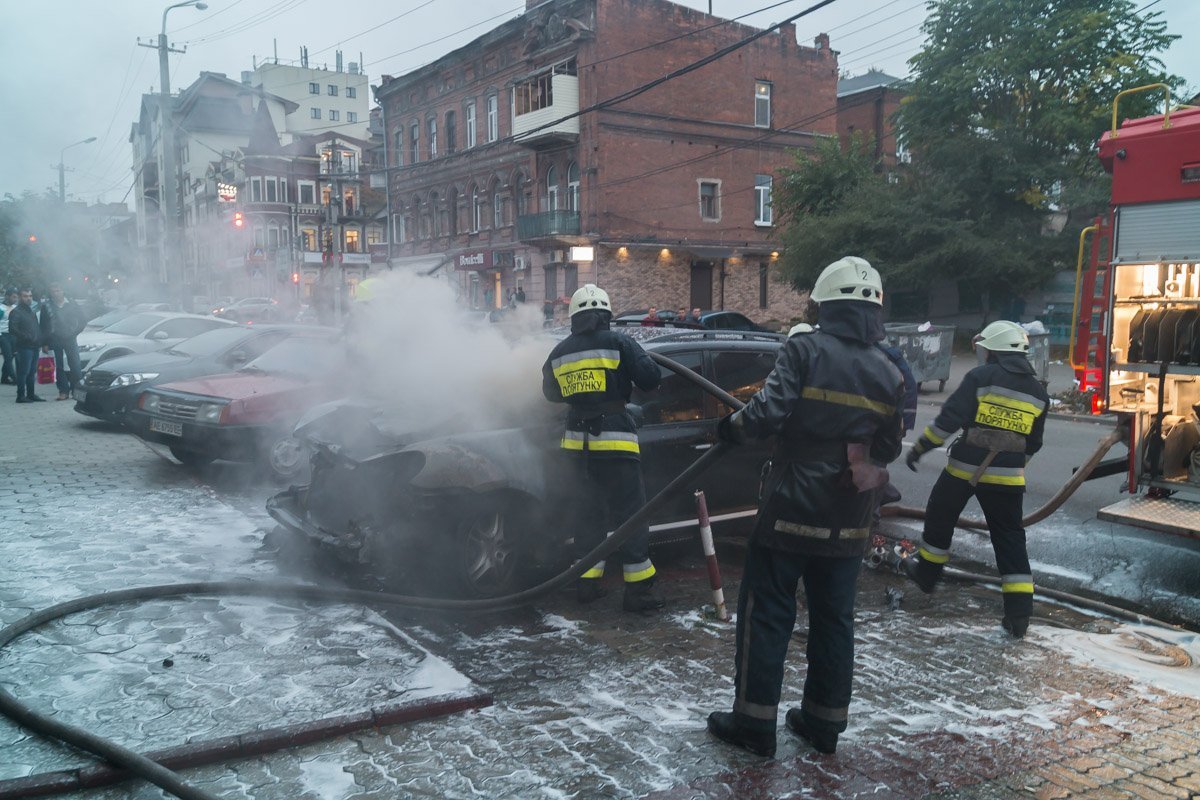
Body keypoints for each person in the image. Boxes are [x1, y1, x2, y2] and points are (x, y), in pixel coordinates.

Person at [706, 256, 904, 758]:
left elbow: (767, 412)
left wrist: (729, 429)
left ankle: (753, 724)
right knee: (835, 618)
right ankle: (823, 723)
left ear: (826, 305)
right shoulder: (889, 370)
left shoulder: (804, 349)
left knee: (767, 612)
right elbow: (890, 447)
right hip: (850, 516)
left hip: (792, 507)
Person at [903, 320, 1048, 638]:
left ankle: (927, 573)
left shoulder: (982, 377)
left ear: (995, 352)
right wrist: (1011, 464)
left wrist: (921, 448)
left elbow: (950, 419)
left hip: (965, 470)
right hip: (1010, 477)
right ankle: (1019, 616)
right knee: (1010, 539)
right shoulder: (1039, 392)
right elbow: (1033, 443)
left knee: (941, 513)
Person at [542, 284, 665, 612]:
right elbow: (651, 378)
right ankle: (638, 593)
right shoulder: (620, 342)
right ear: (606, 315)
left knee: (588, 514)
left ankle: (587, 584)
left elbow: (551, 394)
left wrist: (580, 390)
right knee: (631, 517)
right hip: (615, 443)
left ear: (574, 317)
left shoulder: (559, 352)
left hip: (576, 447)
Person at [39, 283, 87, 400]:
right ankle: (63, 391)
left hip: (70, 339)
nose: (56, 293)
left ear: (63, 291)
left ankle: (76, 390)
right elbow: (43, 326)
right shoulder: (47, 306)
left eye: (58, 290)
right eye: (53, 291)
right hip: (54, 339)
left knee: (75, 365)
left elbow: (83, 320)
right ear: (50, 293)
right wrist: (44, 343)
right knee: (57, 367)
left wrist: (75, 332)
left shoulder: (71, 304)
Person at [10, 288, 43, 403]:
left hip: (34, 346)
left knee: (32, 371)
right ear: (20, 297)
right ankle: (20, 396)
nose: (28, 298)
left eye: (30, 296)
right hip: (24, 346)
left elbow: (36, 328)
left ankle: (31, 394)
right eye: (25, 296)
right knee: (23, 372)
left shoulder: (31, 311)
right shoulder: (16, 312)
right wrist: (26, 337)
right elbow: (12, 329)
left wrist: (39, 340)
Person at [1, 287, 17, 384]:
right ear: (7, 296)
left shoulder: (15, 307)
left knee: (11, 357)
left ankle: (4, 378)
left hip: (13, 335)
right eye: (13, 297)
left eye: (16, 297)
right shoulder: (1, 308)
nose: (15, 299)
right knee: (8, 357)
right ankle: (15, 378)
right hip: (3, 335)